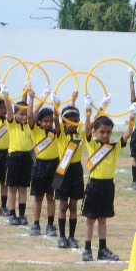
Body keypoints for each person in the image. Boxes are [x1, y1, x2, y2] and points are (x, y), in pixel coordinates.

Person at [80, 110, 134, 262]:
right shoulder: (92, 143)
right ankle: (87, 249)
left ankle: (102, 249)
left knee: (103, 219)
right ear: (95, 132)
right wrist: (89, 112)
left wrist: (132, 116)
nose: (105, 135)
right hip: (94, 185)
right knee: (90, 219)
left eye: (108, 132)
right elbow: (86, 130)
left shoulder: (114, 146)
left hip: (108, 186)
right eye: (101, 132)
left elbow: (129, 132)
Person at [27, 87, 66, 236]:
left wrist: (56, 105)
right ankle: (36, 224)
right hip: (39, 166)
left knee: (51, 197)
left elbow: (58, 120)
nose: (48, 123)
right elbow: (31, 116)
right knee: (38, 197)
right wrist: (32, 99)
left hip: (54, 165)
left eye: (50, 121)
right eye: (45, 121)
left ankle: (50, 225)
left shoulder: (56, 132)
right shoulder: (35, 130)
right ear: (40, 122)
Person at [51, 104, 87, 246]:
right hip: (62, 170)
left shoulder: (80, 135)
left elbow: (91, 125)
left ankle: (71, 236)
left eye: (75, 120)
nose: (73, 124)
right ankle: (62, 236)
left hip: (76, 171)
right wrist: (56, 106)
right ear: (64, 122)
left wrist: (98, 107)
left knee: (73, 205)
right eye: (69, 121)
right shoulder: (60, 134)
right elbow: (55, 119)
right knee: (63, 205)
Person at [4, 92, 34, 225]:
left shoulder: (29, 125)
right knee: (12, 188)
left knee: (23, 188)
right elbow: (10, 110)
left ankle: (22, 214)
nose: (24, 117)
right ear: (15, 114)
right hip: (14, 157)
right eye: (21, 114)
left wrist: (32, 98)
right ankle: (12, 214)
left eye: (25, 115)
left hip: (27, 157)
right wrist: (6, 95)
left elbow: (32, 113)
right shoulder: (12, 123)